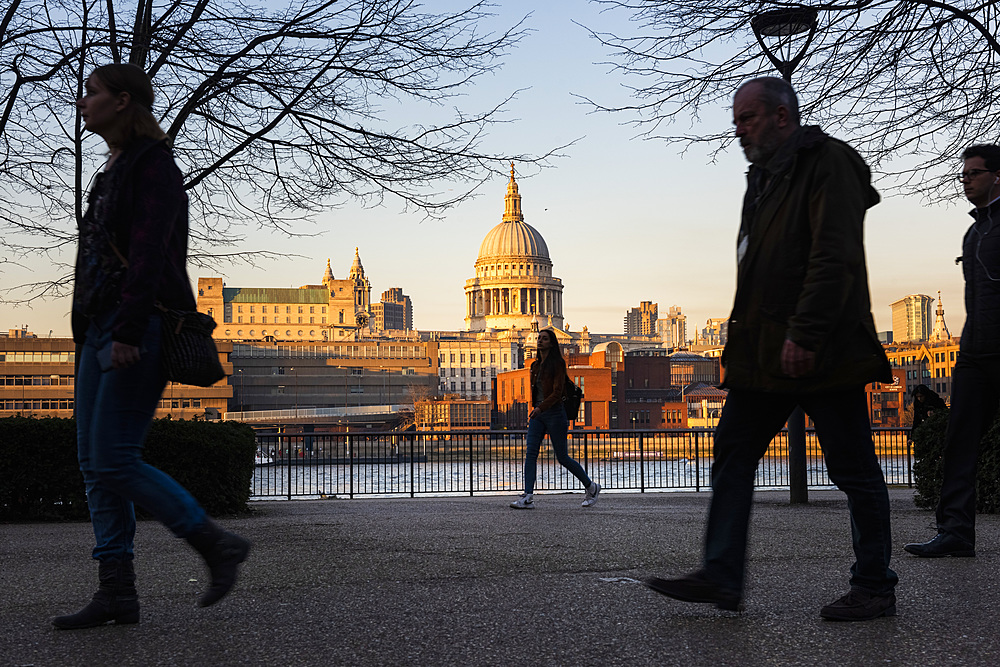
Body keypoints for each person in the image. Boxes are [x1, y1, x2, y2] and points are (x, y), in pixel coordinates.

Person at [644, 77, 897, 621]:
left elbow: (835, 257)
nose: (739, 130)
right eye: (736, 120)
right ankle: (721, 574)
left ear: (783, 117)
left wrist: (804, 333)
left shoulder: (829, 164)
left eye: (749, 119)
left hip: (821, 352)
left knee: (854, 471)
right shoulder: (761, 178)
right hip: (764, 356)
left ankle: (874, 585)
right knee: (732, 455)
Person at [53, 64, 250, 630]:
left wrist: (128, 331)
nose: (81, 101)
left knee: (114, 457)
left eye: (91, 92)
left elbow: (148, 254)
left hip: (130, 327)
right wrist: (89, 328)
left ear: (122, 101)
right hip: (97, 328)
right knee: (96, 465)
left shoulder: (154, 166)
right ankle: (116, 591)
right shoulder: (111, 169)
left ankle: (214, 542)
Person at [904, 144, 1000, 559]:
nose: (966, 181)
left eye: (973, 174)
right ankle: (955, 533)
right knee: (958, 441)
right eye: (962, 175)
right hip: (975, 353)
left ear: (997, 176)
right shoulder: (975, 230)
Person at [509, 328, 600, 509]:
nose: (539, 341)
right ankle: (528, 496)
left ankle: (591, 486)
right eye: (539, 338)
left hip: (555, 413)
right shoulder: (535, 366)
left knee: (562, 457)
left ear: (551, 343)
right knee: (531, 454)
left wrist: (540, 408)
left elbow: (558, 393)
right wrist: (537, 409)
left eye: (544, 339)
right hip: (539, 414)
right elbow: (536, 393)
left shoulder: (558, 364)